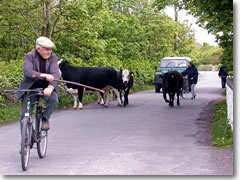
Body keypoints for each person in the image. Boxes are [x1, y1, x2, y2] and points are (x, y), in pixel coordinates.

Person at [17, 36, 60, 130]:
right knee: (24, 116)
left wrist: (50, 88)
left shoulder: (53, 57)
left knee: (54, 100)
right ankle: (25, 142)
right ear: (38, 49)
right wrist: (43, 75)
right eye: (47, 49)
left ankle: (45, 118)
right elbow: (27, 72)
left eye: (51, 49)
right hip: (30, 88)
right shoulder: (30, 56)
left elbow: (55, 74)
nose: (49, 52)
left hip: (46, 88)